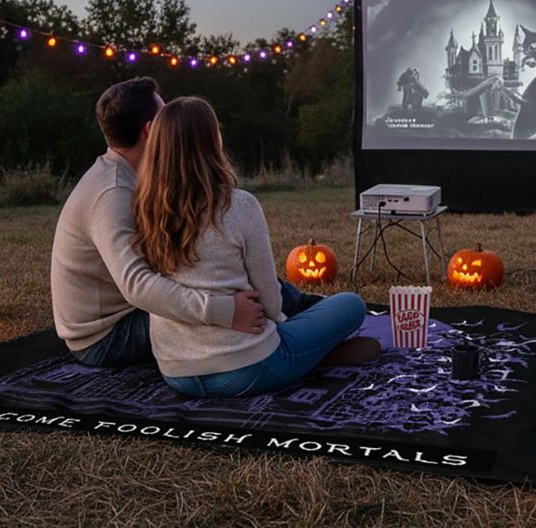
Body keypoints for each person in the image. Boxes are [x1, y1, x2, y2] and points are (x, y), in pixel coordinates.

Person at [51, 77, 316, 367]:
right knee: (232, 299)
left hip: (129, 314)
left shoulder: (136, 177)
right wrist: (225, 310)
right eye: (166, 116)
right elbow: (137, 286)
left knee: (234, 272)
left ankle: (307, 313)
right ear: (152, 130)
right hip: (107, 336)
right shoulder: (112, 194)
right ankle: (301, 337)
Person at [132, 96, 377, 398]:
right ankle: (310, 358)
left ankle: (302, 355)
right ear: (212, 142)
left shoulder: (145, 210)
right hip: (248, 369)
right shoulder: (239, 206)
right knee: (351, 304)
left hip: (176, 373)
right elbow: (271, 303)